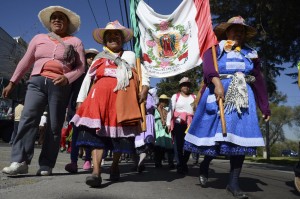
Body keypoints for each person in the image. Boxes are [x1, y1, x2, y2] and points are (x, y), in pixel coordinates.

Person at [184, 16, 271, 199]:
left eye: (242, 31)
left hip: (242, 100)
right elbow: (208, 70)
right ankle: (205, 165)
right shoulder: (215, 50)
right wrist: (217, 84)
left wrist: (265, 107)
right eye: (234, 29)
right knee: (217, 139)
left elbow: (259, 81)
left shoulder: (251, 54)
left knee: (238, 141)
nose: (238, 33)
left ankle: (233, 183)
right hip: (219, 94)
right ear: (226, 32)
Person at [2, 6, 85, 176]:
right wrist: (12, 82)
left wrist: (67, 78)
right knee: (27, 118)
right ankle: (20, 161)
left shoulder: (75, 42)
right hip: (36, 82)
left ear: (67, 23)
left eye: (61, 17)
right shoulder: (39, 38)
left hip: (60, 85)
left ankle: (46, 164)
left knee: (54, 126)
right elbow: (25, 61)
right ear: (49, 22)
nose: (57, 20)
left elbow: (81, 67)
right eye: (54, 17)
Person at [71, 20, 150, 187]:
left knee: (119, 137)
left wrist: (144, 88)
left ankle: (115, 165)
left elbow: (143, 74)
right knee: (96, 135)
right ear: (105, 40)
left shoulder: (130, 56)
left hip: (122, 101)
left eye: (117, 35)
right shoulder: (99, 58)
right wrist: (80, 100)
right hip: (98, 101)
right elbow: (88, 79)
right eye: (110, 35)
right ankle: (96, 172)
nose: (114, 38)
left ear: (122, 39)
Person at [64, 48, 99, 173]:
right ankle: (73, 161)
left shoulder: (98, 73)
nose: (91, 59)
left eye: (93, 57)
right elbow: (70, 88)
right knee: (75, 135)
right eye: (88, 57)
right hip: (76, 107)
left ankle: (87, 160)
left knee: (89, 134)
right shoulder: (78, 72)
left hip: (92, 108)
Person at [166, 77, 196, 174]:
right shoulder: (176, 96)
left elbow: (197, 111)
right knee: (179, 145)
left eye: (187, 85)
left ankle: (183, 162)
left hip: (190, 125)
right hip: (178, 124)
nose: (186, 87)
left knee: (189, 145)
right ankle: (180, 164)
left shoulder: (194, 97)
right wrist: (168, 123)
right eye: (184, 85)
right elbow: (170, 110)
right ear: (180, 86)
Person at [133, 87, 156, 173]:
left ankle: (140, 162)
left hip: (148, 121)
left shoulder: (150, 95)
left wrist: (145, 102)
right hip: (139, 120)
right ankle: (138, 163)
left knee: (147, 144)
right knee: (137, 145)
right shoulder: (135, 92)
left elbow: (152, 106)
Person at [154, 94, 175, 169]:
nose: (163, 102)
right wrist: (161, 116)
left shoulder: (168, 108)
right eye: (162, 100)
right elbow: (156, 119)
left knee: (169, 147)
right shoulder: (156, 109)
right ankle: (158, 162)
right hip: (159, 130)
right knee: (159, 148)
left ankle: (171, 162)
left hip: (167, 130)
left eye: (165, 100)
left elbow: (170, 117)